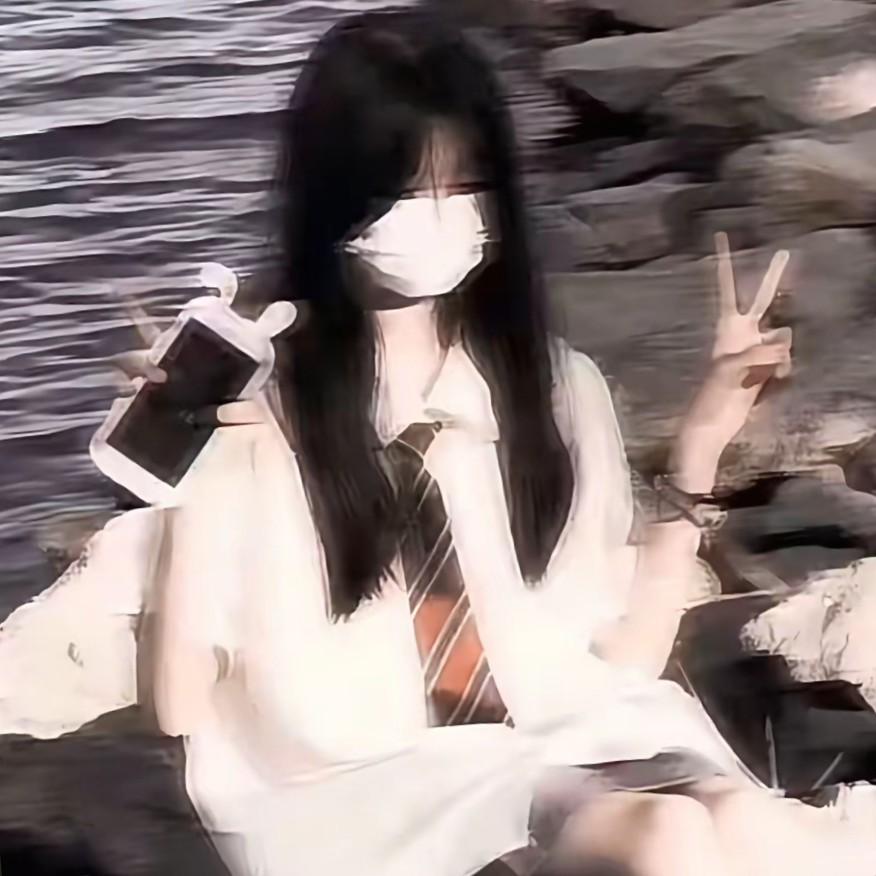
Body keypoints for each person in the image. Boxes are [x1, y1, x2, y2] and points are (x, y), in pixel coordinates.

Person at [1, 8, 874, 876]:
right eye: (405, 192)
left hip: (573, 741)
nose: (438, 217)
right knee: (665, 837)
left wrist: (703, 440)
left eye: (463, 188)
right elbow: (181, 707)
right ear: (337, 202)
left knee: (741, 820)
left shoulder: (554, 392)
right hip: (365, 794)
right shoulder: (263, 420)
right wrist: (189, 472)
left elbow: (623, 661)